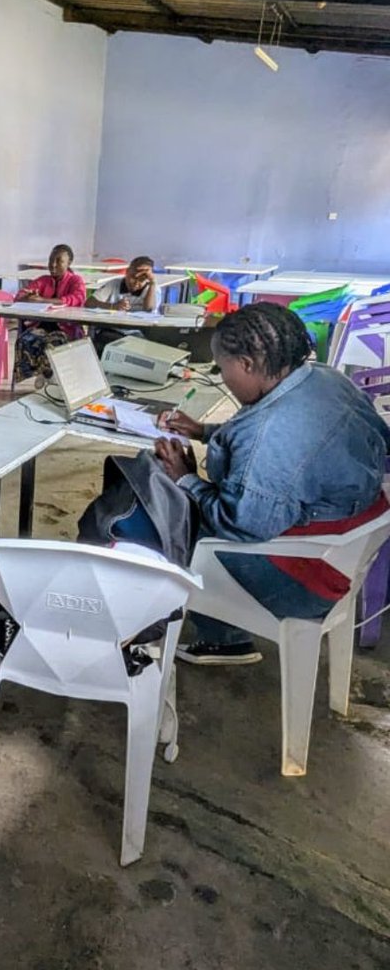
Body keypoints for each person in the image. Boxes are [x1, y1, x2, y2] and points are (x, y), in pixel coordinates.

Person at [154, 302, 390, 665]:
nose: (223, 376)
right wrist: (205, 432)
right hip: (348, 543)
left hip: (307, 577)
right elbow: (305, 452)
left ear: (247, 365)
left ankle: (217, 637)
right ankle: (222, 632)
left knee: (175, 520)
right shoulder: (325, 378)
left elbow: (242, 524)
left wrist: (187, 479)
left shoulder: (269, 433)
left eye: (223, 368)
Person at [13, 243, 87, 384]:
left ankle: (50, 376)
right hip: (41, 327)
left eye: (59, 261)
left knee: (52, 342)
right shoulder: (43, 281)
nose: (53, 265)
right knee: (25, 340)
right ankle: (44, 374)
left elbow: (77, 299)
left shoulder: (75, 281)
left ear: (69, 263)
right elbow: (19, 295)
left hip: (66, 329)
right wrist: (27, 297)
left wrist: (42, 300)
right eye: (50, 260)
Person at [87, 256, 157, 313]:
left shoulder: (152, 289)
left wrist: (153, 283)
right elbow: (89, 303)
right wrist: (113, 306)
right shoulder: (114, 284)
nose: (136, 282)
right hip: (112, 328)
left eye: (142, 280)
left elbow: (149, 309)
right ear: (127, 272)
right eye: (133, 277)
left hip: (140, 330)